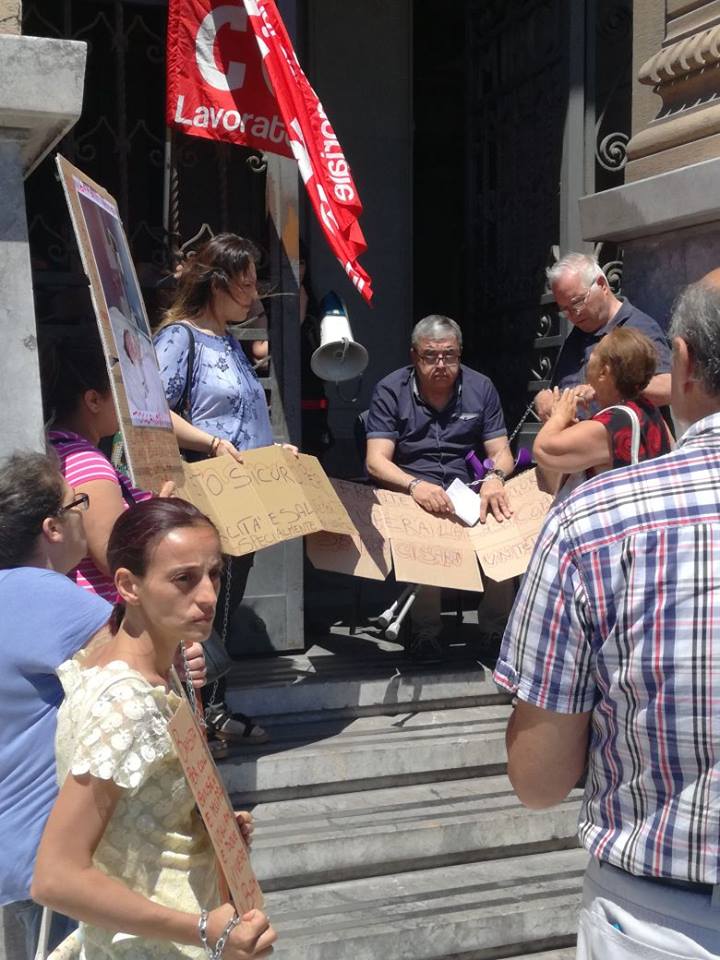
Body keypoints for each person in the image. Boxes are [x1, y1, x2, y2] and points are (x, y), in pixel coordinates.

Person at [494, 279, 720, 957]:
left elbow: (539, 778)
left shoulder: (594, 518)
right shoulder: (644, 425)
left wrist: (560, 409)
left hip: (663, 920)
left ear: (682, 362)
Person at [32, 498, 276, 960]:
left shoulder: (150, 673)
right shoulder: (126, 702)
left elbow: (139, 814)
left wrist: (207, 830)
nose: (208, 595)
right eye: (184, 578)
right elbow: (55, 878)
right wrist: (205, 930)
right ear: (129, 585)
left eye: (215, 574)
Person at [154, 233, 283, 748]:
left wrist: (273, 452)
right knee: (202, 603)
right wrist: (209, 442)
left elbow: (244, 417)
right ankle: (195, 718)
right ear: (217, 284)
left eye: (255, 284)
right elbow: (152, 410)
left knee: (224, 604)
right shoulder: (179, 338)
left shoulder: (230, 341)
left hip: (242, 496)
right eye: (245, 285)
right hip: (202, 495)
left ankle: (215, 710)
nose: (254, 296)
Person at [0, 452, 111, 960]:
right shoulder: (50, 595)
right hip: (50, 854)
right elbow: (152, 664)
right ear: (52, 527)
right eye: (77, 503)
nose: (85, 513)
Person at [366, 314, 514, 661]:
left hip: (468, 489)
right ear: (414, 355)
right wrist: (415, 486)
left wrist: (495, 477)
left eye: (449, 355)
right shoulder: (391, 389)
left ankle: (496, 630)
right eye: (430, 356)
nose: (441, 365)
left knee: (504, 526)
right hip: (413, 488)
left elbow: (502, 452)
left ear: (460, 353)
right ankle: (425, 632)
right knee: (427, 534)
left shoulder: (480, 387)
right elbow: (376, 461)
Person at [533, 327, 672, 498]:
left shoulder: (610, 425)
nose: (589, 356)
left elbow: (543, 450)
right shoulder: (648, 408)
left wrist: (559, 416)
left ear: (604, 372)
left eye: (595, 352)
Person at [534, 253, 672, 421]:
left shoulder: (638, 327)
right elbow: (560, 388)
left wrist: (604, 389)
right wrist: (544, 399)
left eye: (578, 302)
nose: (573, 315)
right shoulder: (576, 336)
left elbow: (668, 387)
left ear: (602, 285)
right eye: (565, 310)